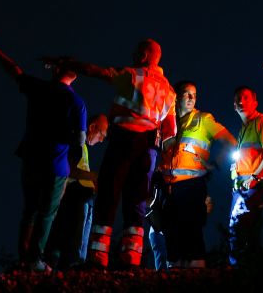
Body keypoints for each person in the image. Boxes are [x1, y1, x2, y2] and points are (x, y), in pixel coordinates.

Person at [53, 39, 176, 269]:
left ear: (144, 55)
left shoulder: (133, 75)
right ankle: (132, 257)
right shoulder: (169, 90)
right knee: (137, 201)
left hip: (124, 140)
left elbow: (98, 72)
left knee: (109, 194)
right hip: (149, 149)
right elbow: (170, 131)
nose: (133, 55)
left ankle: (98, 257)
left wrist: (70, 64)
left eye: (137, 52)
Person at [0, 34, 87, 272]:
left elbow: (14, 70)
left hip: (31, 158)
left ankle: (24, 256)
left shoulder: (38, 88)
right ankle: (35, 259)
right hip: (57, 164)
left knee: (29, 210)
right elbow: (79, 141)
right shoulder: (76, 102)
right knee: (47, 213)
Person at [152, 80, 236, 269]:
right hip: (168, 187)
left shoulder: (203, 119)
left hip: (191, 185)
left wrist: (215, 164)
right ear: (177, 96)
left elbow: (230, 141)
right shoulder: (167, 122)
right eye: (187, 93)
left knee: (192, 231)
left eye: (194, 94)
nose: (191, 98)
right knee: (171, 231)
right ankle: (174, 276)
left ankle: (197, 279)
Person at [46, 114, 108, 269]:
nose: (101, 140)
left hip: (84, 198)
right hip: (74, 197)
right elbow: (70, 171)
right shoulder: (77, 144)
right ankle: (70, 263)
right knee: (72, 239)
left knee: (80, 241)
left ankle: (76, 262)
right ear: (92, 127)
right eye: (101, 134)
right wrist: (94, 176)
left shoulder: (84, 147)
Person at [229, 86, 263, 267]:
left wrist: (255, 178)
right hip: (242, 189)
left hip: (253, 188)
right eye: (238, 99)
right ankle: (246, 273)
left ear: (255, 102)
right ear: (234, 105)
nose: (241, 101)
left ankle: (241, 274)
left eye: (246, 98)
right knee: (244, 233)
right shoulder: (244, 129)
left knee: (239, 230)